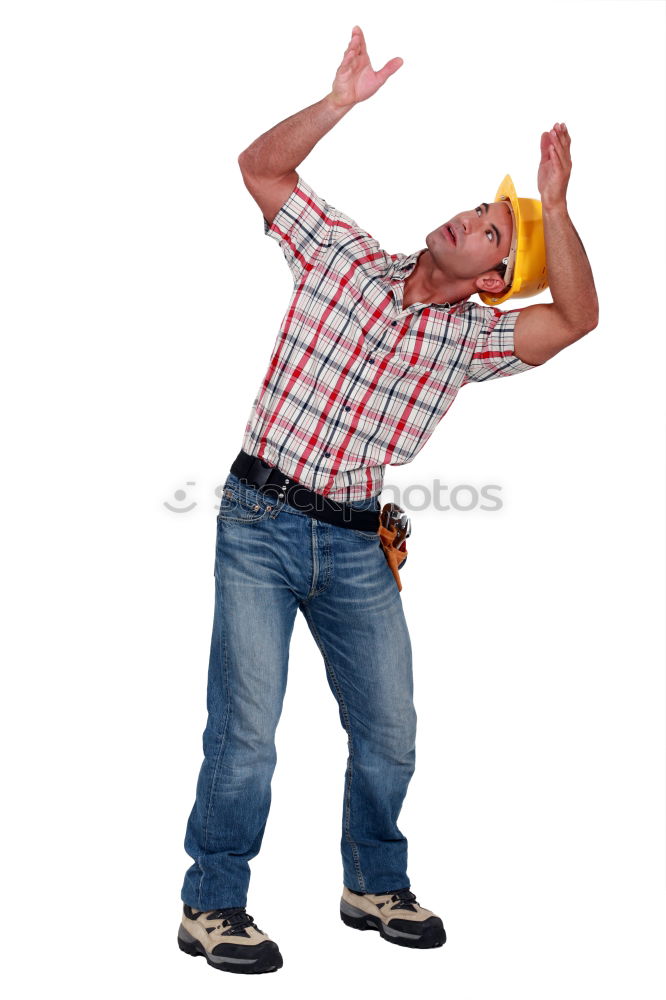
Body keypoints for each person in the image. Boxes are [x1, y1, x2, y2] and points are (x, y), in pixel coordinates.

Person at [176, 25, 599, 975]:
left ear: (492, 281)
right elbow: (258, 170)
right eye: (479, 209)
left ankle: (372, 882)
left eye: (492, 231)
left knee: (391, 733)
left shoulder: (469, 346)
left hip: (358, 548)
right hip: (258, 523)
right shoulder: (346, 258)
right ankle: (213, 905)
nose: (466, 218)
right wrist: (338, 105)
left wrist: (554, 209)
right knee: (245, 732)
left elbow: (575, 319)